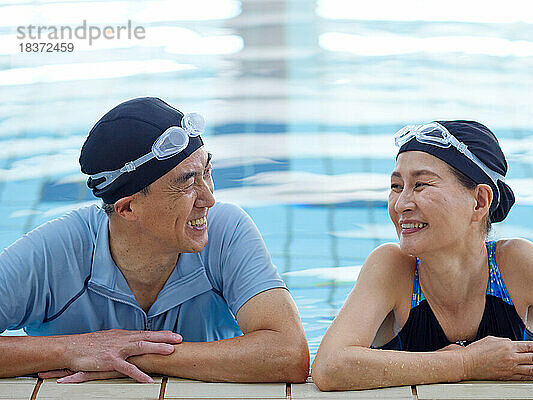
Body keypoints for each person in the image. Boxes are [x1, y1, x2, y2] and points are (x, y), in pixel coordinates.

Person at [0, 97, 309, 384]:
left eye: (207, 172)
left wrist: (137, 354)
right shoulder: (56, 252)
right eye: (187, 183)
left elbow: (289, 353)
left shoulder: (226, 232)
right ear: (128, 208)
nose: (208, 199)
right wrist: (73, 348)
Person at [311, 120, 533, 390]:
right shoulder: (392, 267)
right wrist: (466, 363)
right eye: (396, 186)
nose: (400, 204)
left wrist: (517, 363)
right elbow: (330, 366)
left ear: (479, 201)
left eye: (420, 184)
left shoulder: (516, 264)